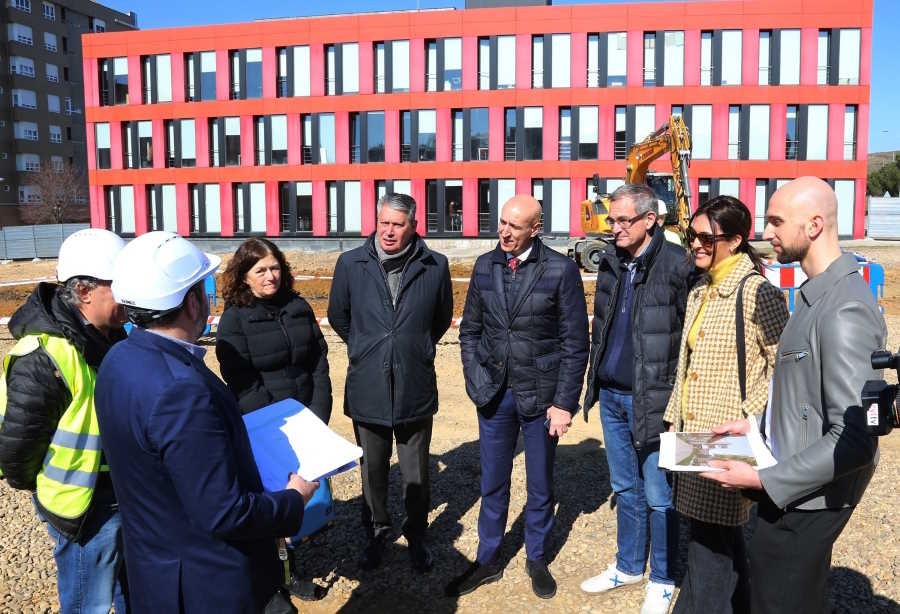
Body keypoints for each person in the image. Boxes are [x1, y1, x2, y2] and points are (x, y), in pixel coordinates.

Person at [94, 231, 319, 613]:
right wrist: (292, 500)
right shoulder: (181, 390)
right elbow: (224, 512)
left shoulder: (119, 359)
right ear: (194, 300)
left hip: (156, 571)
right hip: (207, 584)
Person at [700, 177, 886, 614]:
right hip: (794, 485)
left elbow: (856, 438)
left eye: (776, 222)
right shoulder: (813, 296)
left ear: (815, 224)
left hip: (809, 497)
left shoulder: (844, 308)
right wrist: (757, 425)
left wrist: (764, 480)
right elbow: (807, 394)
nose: (766, 233)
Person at [447, 194, 589, 600]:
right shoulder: (485, 265)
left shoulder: (560, 270)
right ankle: (488, 558)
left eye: (514, 225)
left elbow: (574, 343)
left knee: (540, 483)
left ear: (535, 228)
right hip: (493, 394)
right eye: (502, 223)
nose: (504, 231)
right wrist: (475, 378)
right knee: (493, 481)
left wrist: (564, 402)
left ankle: (537, 557)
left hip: (542, 398)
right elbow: (470, 330)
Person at [662, 197, 789, 614]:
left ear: (734, 240)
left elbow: (783, 371)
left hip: (726, 439)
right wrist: (672, 419)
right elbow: (688, 363)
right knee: (718, 538)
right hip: (694, 436)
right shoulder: (702, 287)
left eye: (705, 237)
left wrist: (749, 418)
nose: (695, 244)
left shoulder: (757, 293)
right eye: (691, 235)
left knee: (707, 551)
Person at [0, 228, 129, 614]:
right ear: (85, 291)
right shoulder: (45, 355)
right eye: (116, 285)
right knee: (86, 602)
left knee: (128, 591)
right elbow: (17, 451)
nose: (126, 294)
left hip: (118, 494)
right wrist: (48, 494)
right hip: (83, 507)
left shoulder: (110, 336)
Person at [579, 184, 694, 614]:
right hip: (611, 395)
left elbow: (686, 339)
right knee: (624, 488)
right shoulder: (611, 262)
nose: (615, 228)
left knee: (659, 495)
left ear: (651, 220)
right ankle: (628, 566)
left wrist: (677, 400)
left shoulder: (676, 266)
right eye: (613, 220)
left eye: (624, 220)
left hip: (655, 400)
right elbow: (604, 327)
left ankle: (662, 578)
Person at [327, 193, 452, 573]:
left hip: (415, 383)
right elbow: (339, 316)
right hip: (368, 384)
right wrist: (370, 348)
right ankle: (377, 532)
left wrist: (410, 349)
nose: (389, 232)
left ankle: (416, 534)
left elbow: (440, 319)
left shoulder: (435, 266)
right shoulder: (351, 263)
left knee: (416, 471)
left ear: (414, 226)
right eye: (384, 222)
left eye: (398, 224)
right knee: (373, 469)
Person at [215, 237, 332, 600]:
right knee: (271, 503)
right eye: (260, 270)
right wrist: (278, 423)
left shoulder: (298, 306)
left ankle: (290, 563)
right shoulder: (234, 319)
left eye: (275, 268)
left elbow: (318, 361)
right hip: (266, 426)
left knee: (304, 498)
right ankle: (276, 580)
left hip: (306, 417)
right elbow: (240, 379)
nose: (270, 276)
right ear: (244, 277)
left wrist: (316, 414)